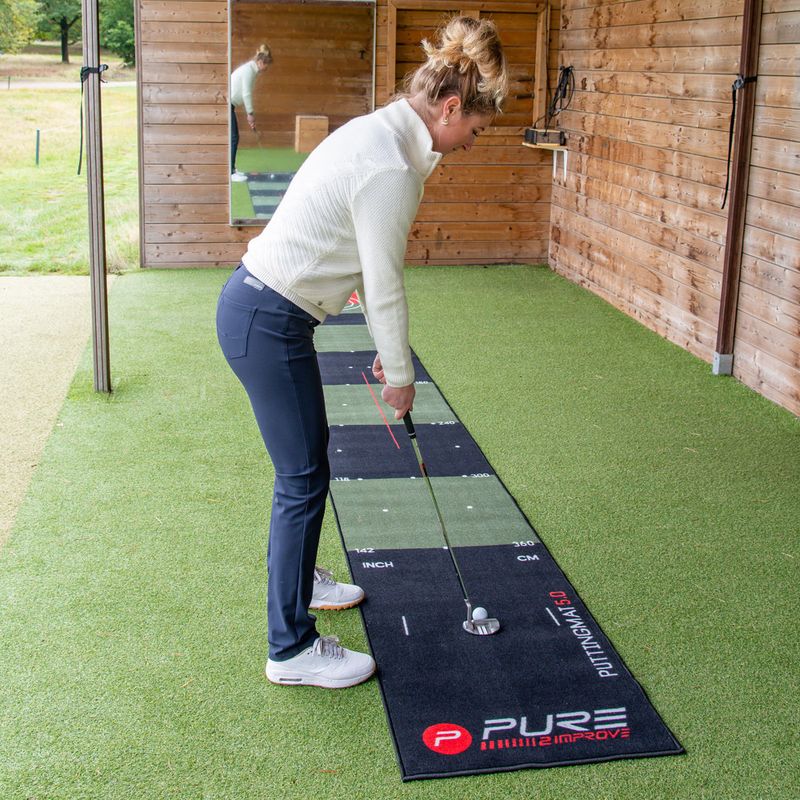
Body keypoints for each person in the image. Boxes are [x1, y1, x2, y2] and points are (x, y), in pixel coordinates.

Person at [216, 16, 507, 689]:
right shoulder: (392, 166)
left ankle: (304, 583)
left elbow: (350, 248)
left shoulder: (383, 131)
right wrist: (400, 376)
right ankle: (290, 650)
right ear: (450, 108)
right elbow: (384, 283)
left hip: (262, 310)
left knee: (306, 467)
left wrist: (371, 325)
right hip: (267, 320)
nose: (471, 142)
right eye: (474, 128)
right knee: (302, 478)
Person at [230, 44, 272, 182]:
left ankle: (232, 168)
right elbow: (246, 93)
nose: (266, 69)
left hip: (230, 105)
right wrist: (250, 114)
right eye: (266, 65)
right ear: (260, 62)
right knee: (234, 137)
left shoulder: (252, 70)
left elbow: (245, 94)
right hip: (227, 104)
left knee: (233, 137)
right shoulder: (249, 70)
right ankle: (230, 172)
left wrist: (250, 115)